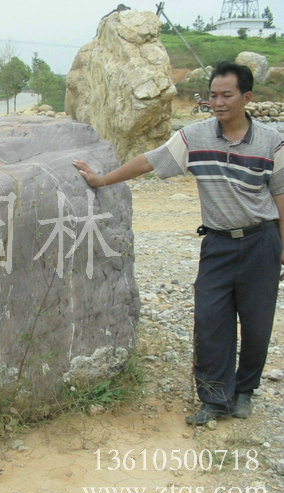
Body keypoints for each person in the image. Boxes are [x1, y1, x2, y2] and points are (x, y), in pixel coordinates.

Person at [72, 61, 284, 425]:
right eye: (213, 95)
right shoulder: (195, 137)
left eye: (226, 95)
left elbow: (281, 198)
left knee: (257, 321)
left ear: (247, 97)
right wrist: (102, 180)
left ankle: (245, 390)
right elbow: (149, 162)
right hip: (217, 243)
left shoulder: (271, 142)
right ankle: (214, 397)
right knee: (209, 318)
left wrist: (282, 251)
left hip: (261, 241)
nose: (218, 102)